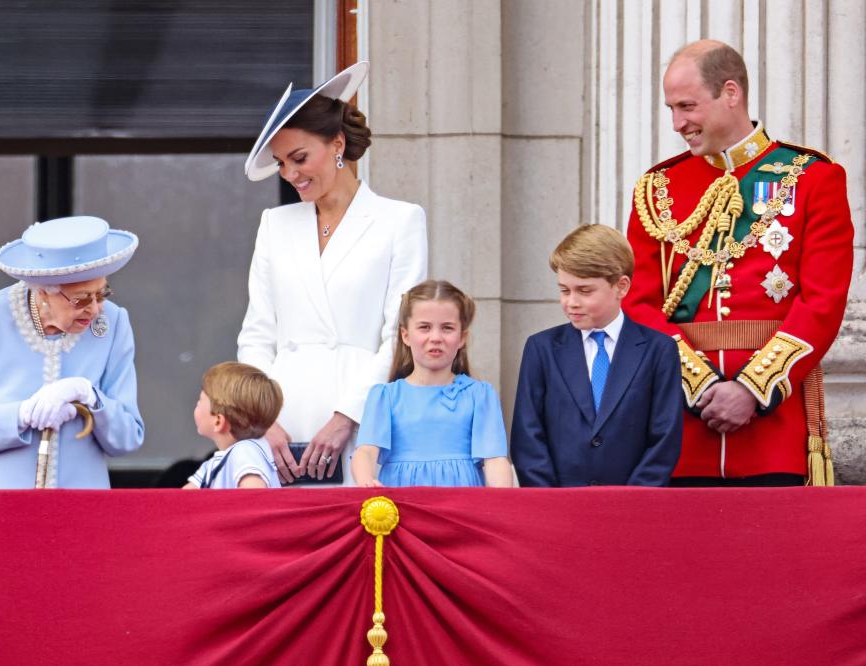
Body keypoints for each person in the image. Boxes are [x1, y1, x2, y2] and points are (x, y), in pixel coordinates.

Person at [622, 40, 854, 486]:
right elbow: (637, 302)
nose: (677, 123)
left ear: (731, 93)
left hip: (775, 428)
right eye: (670, 108)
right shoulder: (657, 189)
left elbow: (822, 302)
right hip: (682, 429)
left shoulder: (813, 178)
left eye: (687, 106)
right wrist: (701, 386)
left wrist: (752, 388)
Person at [238, 61, 428, 485]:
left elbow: (398, 334)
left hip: (363, 418)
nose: (290, 174)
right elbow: (256, 335)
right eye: (281, 162)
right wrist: (262, 420)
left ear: (337, 143)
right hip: (280, 427)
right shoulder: (275, 223)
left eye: (299, 158)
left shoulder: (400, 220)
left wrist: (347, 416)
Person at [0, 215, 145, 489]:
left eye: (102, 294)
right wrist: (21, 415)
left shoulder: (114, 323)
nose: (94, 310)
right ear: (43, 292)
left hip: (81, 513)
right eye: (82, 299)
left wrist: (90, 397)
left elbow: (129, 437)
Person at [512, 225, 683, 486]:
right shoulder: (542, 348)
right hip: (558, 507)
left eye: (584, 291)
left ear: (621, 287)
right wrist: (547, 501)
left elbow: (664, 437)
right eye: (564, 290)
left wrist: (633, 500)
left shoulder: (658, 350)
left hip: (632, 509)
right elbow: (528, 434)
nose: (571, 302)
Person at [351, 280, 512, 488]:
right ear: (406, 335)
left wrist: (502, 504)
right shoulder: (385, 396)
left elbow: (495, 460)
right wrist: (366, 484)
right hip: (402, 505)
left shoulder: (480, 394)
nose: (435, 337)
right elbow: (366, 451)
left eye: (447, 328)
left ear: (462, 337)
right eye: (424, 327)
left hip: (461, 505)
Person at [182, 362, 282, 489]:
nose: (196, 404)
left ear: (218, 421)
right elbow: (182, 497)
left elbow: (254, 494)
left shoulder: (246, 451)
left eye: (200, 400)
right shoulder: (213, 464)